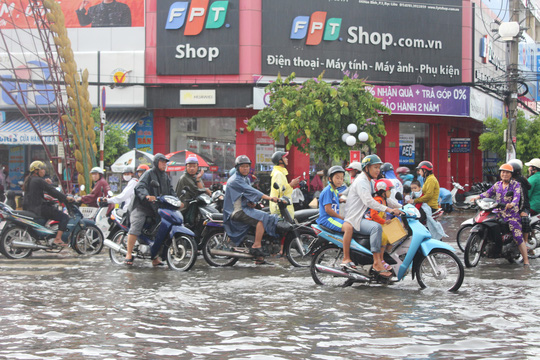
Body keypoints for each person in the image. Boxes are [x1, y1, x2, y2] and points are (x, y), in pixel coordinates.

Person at [340, 155, 402, 277]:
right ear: (367, 168)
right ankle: (376, 262)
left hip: (363, 217)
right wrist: (388, 209)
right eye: (375, 167)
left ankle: (383, 258)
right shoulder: (361, 182)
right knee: (376, 227)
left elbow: (383, 196)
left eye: (379, 167)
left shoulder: (370, 181)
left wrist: (401, 207)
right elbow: (369, 201)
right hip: (355, 219)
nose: (378, 170)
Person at [223, 155, 279, 264]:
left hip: (244, 208)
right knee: (262, 218)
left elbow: (246, 194)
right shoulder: (235, 179)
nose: (245, 169)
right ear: (237, 168)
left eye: (247, 166)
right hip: (236, 211)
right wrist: (270, 198)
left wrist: (252, 203)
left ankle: (259, 258)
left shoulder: (245, 179)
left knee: (265, 214)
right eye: (242, 166)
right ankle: (257, 244)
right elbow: (252, 191)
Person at [472, 163, 529, 266]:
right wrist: (477, 197)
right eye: (503, 172)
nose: (505, 174)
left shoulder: (516, 185)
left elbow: (517, 197)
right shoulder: (497, 184)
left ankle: (526, 260)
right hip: (497, 212)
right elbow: (488, 193)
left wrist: (511, 204)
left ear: (511, 174)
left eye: (507, 172)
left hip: (511, 214)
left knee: (517, 235)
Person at [124, 154, 175, 266]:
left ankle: (155, 257)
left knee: (159, 231)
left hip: (156, 208)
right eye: (162, 162)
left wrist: (177, 200)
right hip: (142, 206)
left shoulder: (166, 177)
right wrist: (147, 196)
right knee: (137, 226)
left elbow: (171, 191)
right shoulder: (148, 174)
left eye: (165, 162)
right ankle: (128, 253)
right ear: (156, 162)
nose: (164, 164)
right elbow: (140, 187)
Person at [22, 161, 74, 246]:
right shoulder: (38, 180)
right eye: (42, 169)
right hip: (39, 208)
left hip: (30, 207)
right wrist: (66, 198)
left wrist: (47, 183)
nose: (44, 171)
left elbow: (45, 189)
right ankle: (58, 239)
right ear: (36, 171)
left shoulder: (31, 179)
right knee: (64, 217)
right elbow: (52, 191)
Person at [269, 151, 300, 256]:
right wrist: (291, 184)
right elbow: (280, 192)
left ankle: (283, 251)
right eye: (285, 158)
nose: (287, 159)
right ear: (280, 160)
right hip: (280, 206)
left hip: (285, 205)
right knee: (284, 230)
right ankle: (281, 251)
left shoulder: (281, 173)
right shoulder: (278, 174)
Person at [365, 179, 396, 270]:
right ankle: (381, 260)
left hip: (379, 223)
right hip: (374, 223)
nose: (390, 192)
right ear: (383, 192)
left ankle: (385, 256)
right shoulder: (378, 200)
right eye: (389, 190)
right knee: (384, 238)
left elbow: (394, 206)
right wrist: (384, 221)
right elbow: (373, 215)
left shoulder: (384, 200)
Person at [508, 159, 532, 255]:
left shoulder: (519, 181)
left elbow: (521, 198)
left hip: (523, 206)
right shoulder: (508, 181)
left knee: (524, 220)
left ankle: (525, 242)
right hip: (511, 206)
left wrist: (521, 210)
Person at [316, 165, 346, 232]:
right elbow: (328, 210)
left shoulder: (334, 190)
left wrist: (339, 200)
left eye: (341, 178)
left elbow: (332, 200)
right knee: (348, 227)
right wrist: (341, 218)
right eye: (337, 178)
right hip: (327, 218)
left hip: (332, 218)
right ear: (330, 179)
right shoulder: (328, 190)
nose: (340, 181)